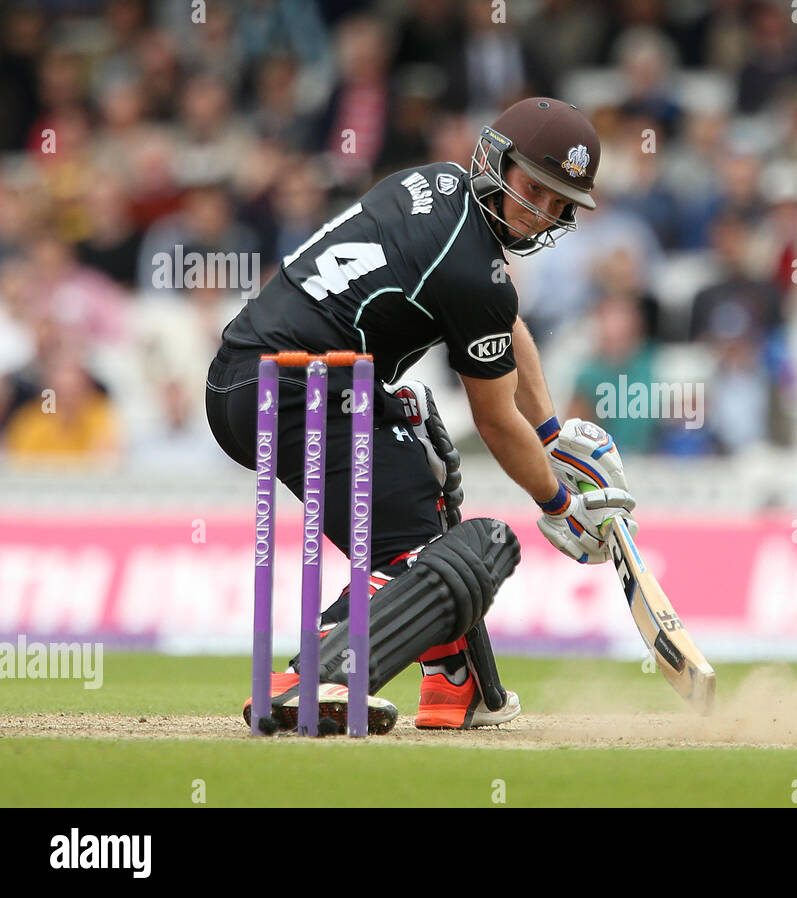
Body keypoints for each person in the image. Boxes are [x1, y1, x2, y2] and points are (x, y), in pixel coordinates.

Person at [205, 98, 637, 733]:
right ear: (497, 163)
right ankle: (311, 677)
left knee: (423, 501)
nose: (542, 211)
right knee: (448, 551)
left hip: (249, 377)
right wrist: (559, 504)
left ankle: (453, 684)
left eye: (561, 203)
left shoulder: (435, 182)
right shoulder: (474, 273)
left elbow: (504, 320)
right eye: (533, 190)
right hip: (300, 385)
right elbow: (492, 418)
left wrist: (553, 435)